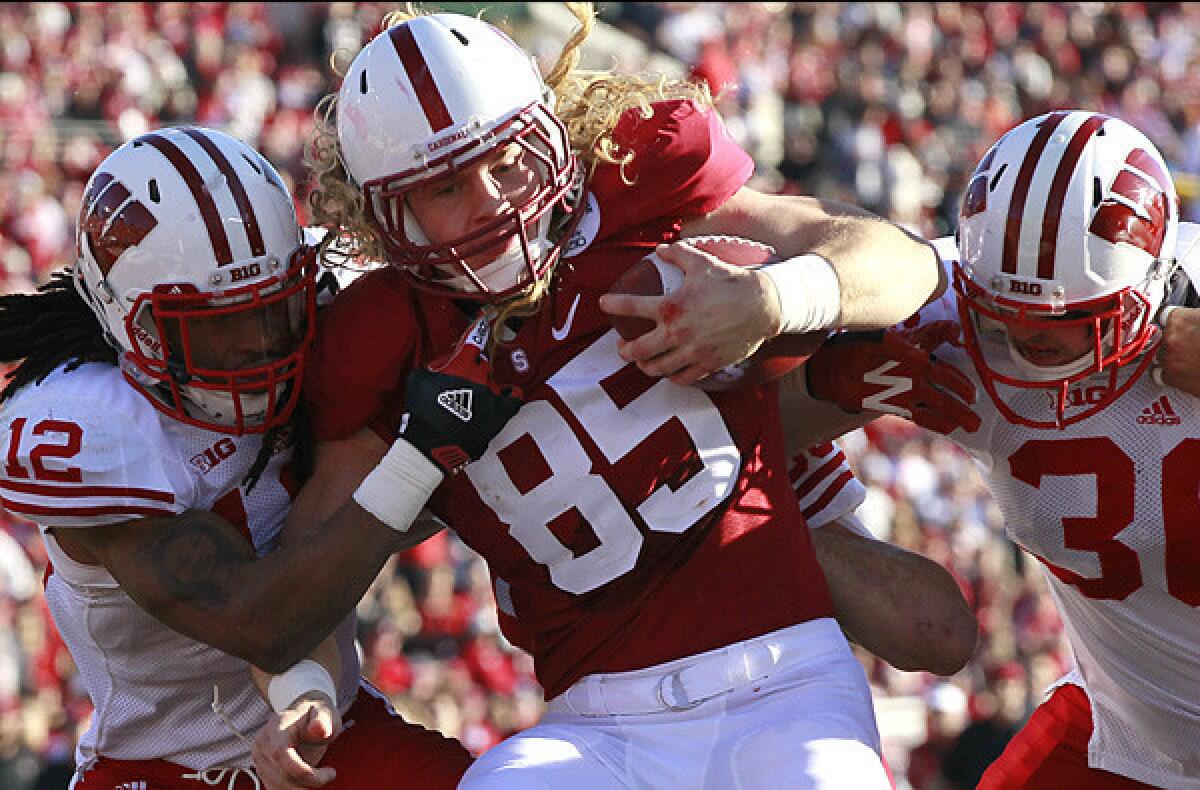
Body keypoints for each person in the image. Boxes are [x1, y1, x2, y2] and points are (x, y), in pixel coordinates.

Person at [262, 5, 963, 787]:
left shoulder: (638, 184)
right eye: (446, 187)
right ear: (387, 214)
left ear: (549, 135)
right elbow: (311, 574)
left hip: (785, 676)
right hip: (595, 722)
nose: (492, 201)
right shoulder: (385, 337)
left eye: (505, 160)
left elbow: (903, 264)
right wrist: (305, 691)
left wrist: (774, 299)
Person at [0, 127, 473, 789]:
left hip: (333, 722)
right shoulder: (88, 421)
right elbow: (263, 620)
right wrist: (422, 457)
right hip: (157, 768)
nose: (257, 344)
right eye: (215, 324)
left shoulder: (334, 306)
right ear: (129, 323)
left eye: (273, 308)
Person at [803, 110, 1200, 787]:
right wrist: (794, 328)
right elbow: (864, 258)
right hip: (1136, 736)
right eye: (1004, 313)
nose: (1027, 340)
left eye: (1068, 319)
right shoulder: (961, 319)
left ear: (1151, 287)